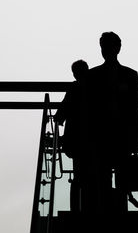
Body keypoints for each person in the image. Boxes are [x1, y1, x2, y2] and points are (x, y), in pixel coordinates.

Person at [85, 31, 138, 213]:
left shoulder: (93, 75)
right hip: (118, 135)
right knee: (118, 180)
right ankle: (117, 216)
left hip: (104, 136)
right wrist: (136, 137)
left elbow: (88, 110)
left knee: (105, 180)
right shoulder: (130, 75)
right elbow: (135, 109)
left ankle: (107, 216)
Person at [54, 59, 89, 212]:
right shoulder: (96, 88)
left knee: (78, 176)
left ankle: (76, 209)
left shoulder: (74, 89)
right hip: (94, 140)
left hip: (76, 141)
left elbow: (61, 113)